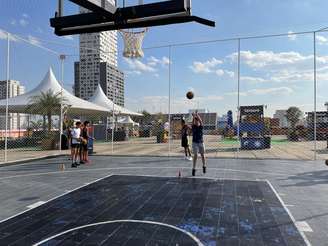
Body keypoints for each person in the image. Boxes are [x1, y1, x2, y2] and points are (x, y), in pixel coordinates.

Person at [191, 112, 207, 176]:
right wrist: (193, 117)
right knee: (195, 156)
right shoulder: (193, 127)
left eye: (197, 122)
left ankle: (204, 166)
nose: (196, 122)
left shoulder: (201, 127)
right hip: (195, 143)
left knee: (203, 155)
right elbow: (192, 122)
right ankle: (194, 169)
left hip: (201, 142)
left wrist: (197, 115)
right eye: (195, 121)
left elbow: (201, 121)